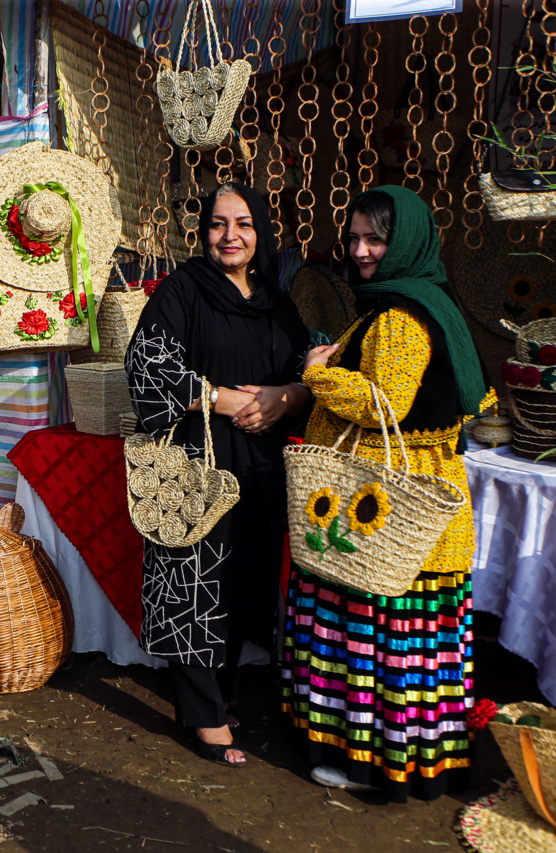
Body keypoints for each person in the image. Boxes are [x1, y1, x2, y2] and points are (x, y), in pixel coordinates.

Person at [282, 186, 494, 802]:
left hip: (381, 509)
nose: (361, 251)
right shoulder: (432, 301)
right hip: (413, 508)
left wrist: (319, 375)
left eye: (375, 238)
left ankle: (369, 764)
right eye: (353, 239)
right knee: (406, 646)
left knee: (374, 639)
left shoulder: (400, 316)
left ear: (405, 242)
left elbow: (385, 403)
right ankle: (401, 756)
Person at [127, 182, 311, 767]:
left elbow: (307, 372)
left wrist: (287, 394)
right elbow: (148, 363)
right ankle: (203, 714)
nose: (230, 236)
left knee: (244, 581)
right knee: (198, 583)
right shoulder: (185, 290)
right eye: (217, 223)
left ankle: (219, 694)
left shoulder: (277, 302)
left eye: (243, 224)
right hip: (201, 463)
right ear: (203, 231)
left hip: (262, 466)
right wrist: (226, 401)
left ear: (261, 234)